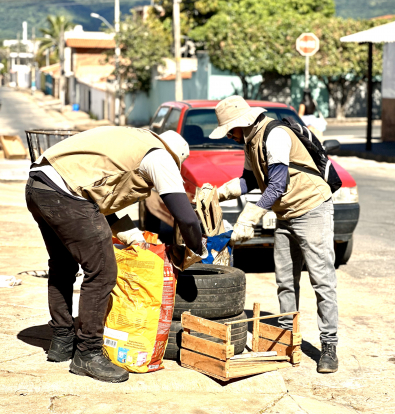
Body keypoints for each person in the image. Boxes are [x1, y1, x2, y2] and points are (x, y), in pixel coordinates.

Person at [26, 126, 204, 383]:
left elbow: (98, 199)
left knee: (63, 265)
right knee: (102, 271)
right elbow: (186, 218)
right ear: (176, 159)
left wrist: (134, 236)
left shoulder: (134, 143)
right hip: (65, 194)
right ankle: (87, 353)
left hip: (38, 186)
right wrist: (197, 248)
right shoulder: (161, 157)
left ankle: (62, 341)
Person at [202, 95, 338, 374]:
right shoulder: (251, 140)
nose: (229, 136)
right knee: (285, 281)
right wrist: (220, 193)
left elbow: (276, 185)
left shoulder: (274, 135)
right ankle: (287, 339)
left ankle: (329, 346)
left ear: (241, 122)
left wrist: (246, 219)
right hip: (286, 215)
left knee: (322, 281)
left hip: (312, 209)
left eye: (230, 130)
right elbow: (251, 180)